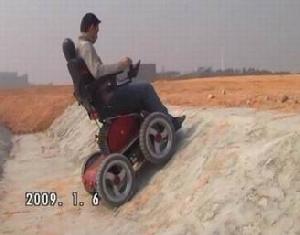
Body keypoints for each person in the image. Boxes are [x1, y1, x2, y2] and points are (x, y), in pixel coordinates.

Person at [76, 13, 185, 130]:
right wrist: (121, 65)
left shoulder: (78, 47)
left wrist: (125, 75)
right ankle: (169, 124)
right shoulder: (86, 47)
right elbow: (97, 72)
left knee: (134, 86)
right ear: (92, 27)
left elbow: (98, 78)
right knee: (146, 89)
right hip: (108, 100)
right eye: (97, 31)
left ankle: (158, 123)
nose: (97, 35)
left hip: (101, 98)